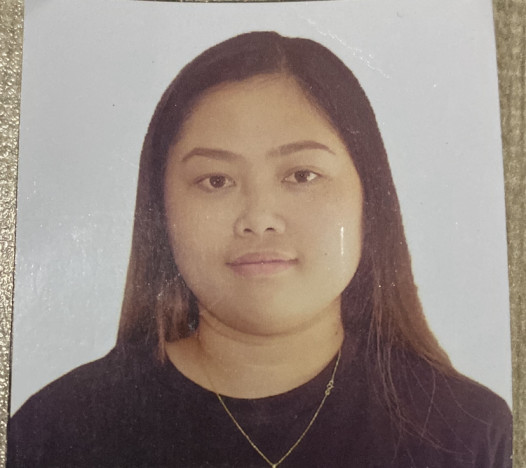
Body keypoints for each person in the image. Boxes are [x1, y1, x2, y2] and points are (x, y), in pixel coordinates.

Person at [7, 31, 512, 468]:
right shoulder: (56, 432)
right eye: (216, 180)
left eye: (302, 175)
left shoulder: (468, 432)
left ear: (370, 199)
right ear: (161, 214)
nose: (258, 218)